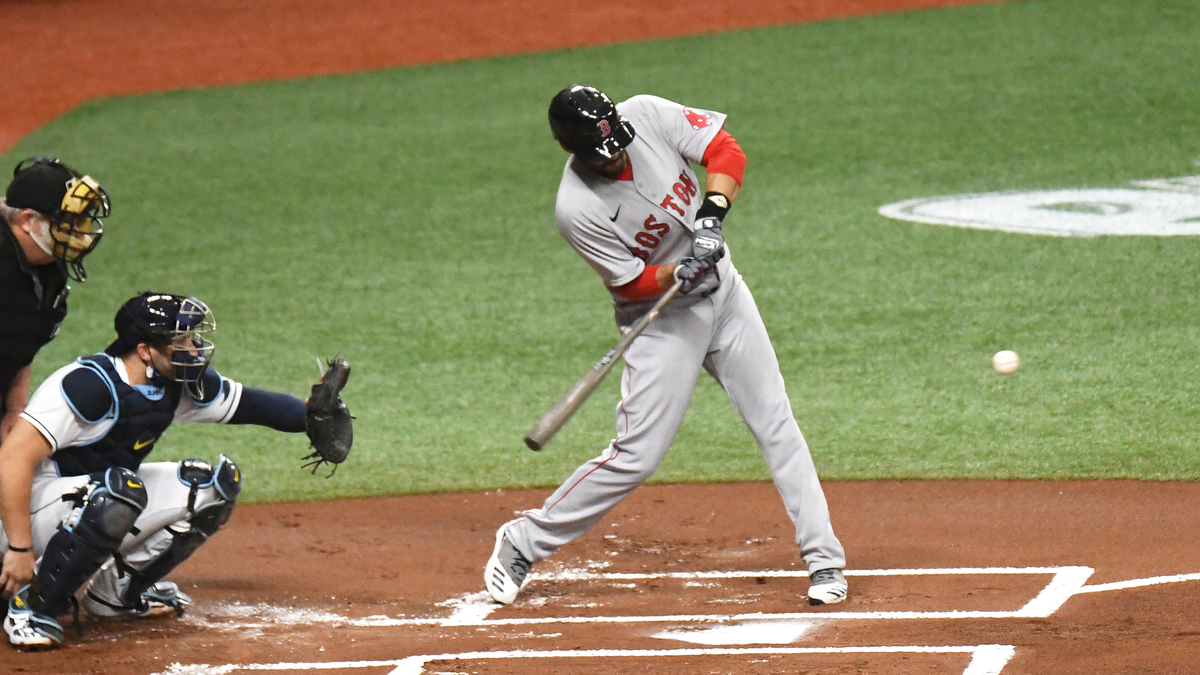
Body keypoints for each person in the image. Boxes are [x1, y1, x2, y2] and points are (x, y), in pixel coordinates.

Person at [484, 85, 848, 608]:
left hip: (726, 297)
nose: (614, 162)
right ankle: (521, 542)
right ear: (574, 151)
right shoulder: (577, 208)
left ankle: (824, 560)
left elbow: (725, 150)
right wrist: (676, 270)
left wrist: (711, 216)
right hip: (662, 325)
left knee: (775, 421)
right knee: (636, 456)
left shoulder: (647, 114)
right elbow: (628, 283)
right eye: (600, 157)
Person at [0, 293, 313, 650]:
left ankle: (116, 594)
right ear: (145, 350)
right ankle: (31, 609)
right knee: (118, 492)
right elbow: (12, 459)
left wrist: (309, 416)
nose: (193, 349)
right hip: (23, 516)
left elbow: (250, 404)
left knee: (208, 487)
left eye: (192, 338)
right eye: (180, 342)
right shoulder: (87, 386)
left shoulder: (172, 384)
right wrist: (19, 548)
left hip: (86, 503)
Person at [1, 157, 110, 442]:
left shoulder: (48, 266)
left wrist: (15, 406)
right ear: (28, 220)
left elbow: (21, 344)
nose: (80, 232)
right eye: (68, 222)